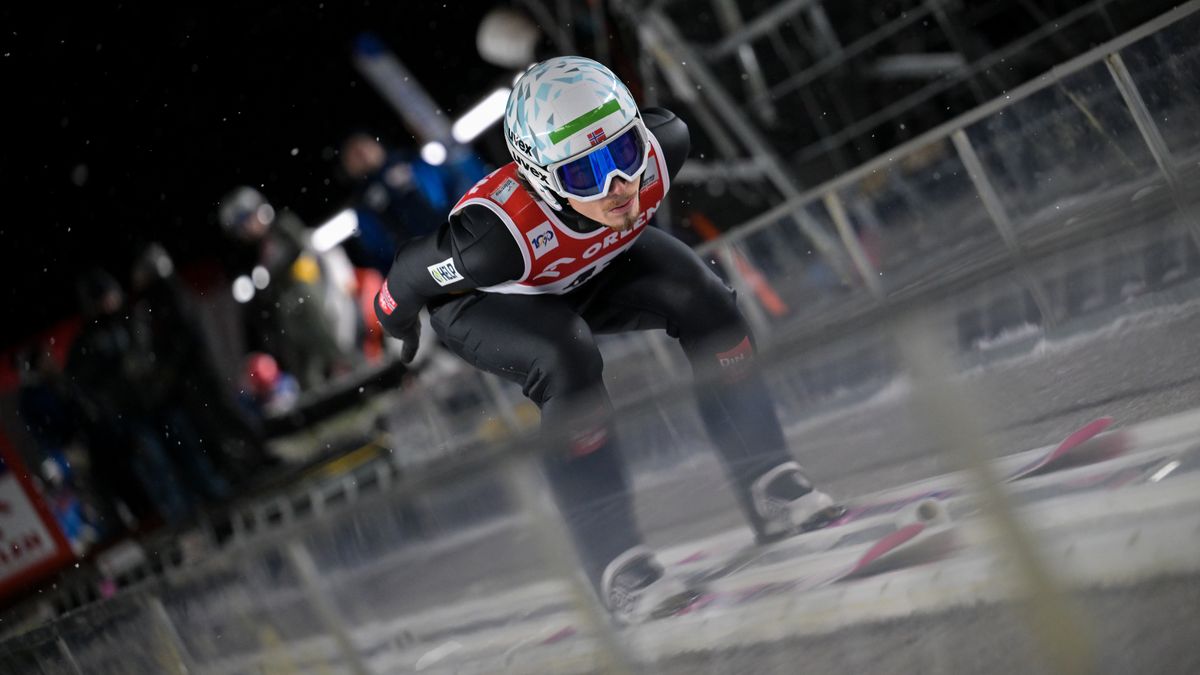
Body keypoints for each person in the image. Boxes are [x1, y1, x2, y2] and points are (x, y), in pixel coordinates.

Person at [373, 56, 841, 622]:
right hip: (497, 298)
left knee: (707, 301)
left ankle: (767, 477)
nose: (618, 188)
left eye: (624, 153)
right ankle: (615, 563)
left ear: (642, 134)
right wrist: (394, 319)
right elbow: (408, 276)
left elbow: (640, 202)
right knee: (566, 356)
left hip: (593, 264)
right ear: (542, 180)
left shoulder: (664, 146)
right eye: (585, 175)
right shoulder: (492, 241)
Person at [218, 186, 359, 389]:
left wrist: (272, 274)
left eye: (248, 221)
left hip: (312, 287)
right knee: (286, 330)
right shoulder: (257, 253)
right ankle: (311, 382)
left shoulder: (282, 226)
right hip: (290, 304)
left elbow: (300, 251)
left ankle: (342, 362)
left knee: (305, 306)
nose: (248, 230)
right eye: (242, 228)